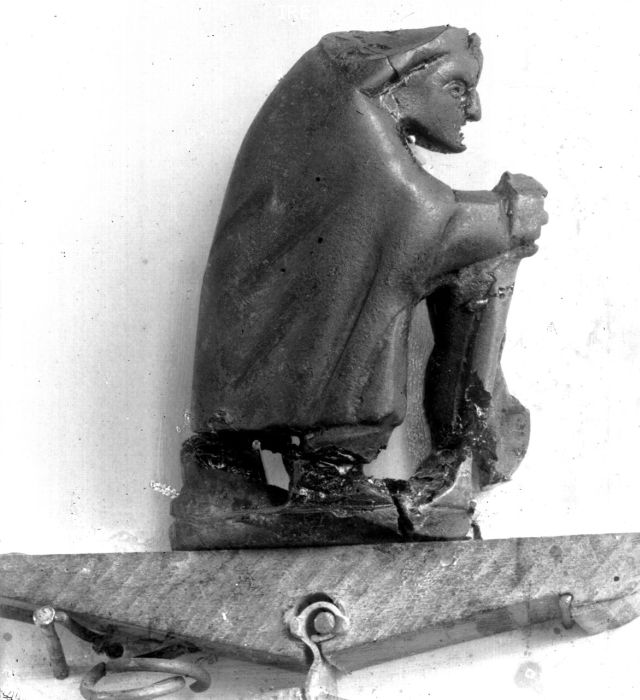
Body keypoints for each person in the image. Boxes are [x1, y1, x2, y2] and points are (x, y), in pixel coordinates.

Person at [172, 27, 547, 547]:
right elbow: (415, 220)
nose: (474, 110)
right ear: (401, 80)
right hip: (278, 338)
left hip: (263, 343)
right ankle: (328, 477)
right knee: (410, 279)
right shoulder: (353, 121)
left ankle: (232, 477)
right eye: (457, 88)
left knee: (433, 268)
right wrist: (506, 217)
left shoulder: (338, 120)